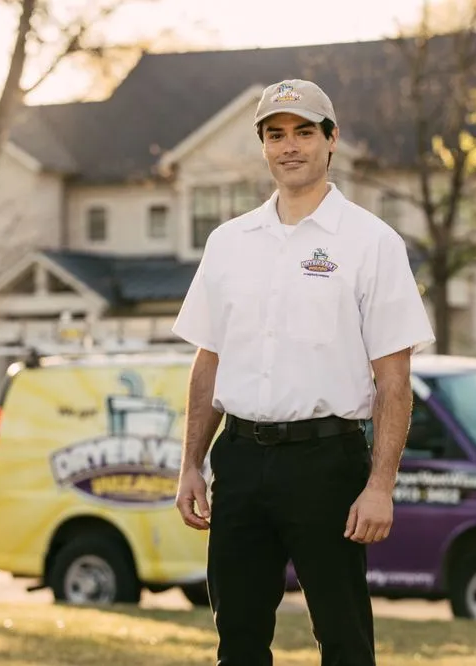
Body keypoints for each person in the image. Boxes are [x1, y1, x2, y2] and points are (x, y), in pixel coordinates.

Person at [171, 78, 435, 666]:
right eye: (276, 134)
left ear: (331, 140)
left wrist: (380, 486)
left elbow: (394, 379)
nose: (290, 146)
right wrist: (191, 463)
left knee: (343, 640)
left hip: (328, 465)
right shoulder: (227, 243)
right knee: (237, 638)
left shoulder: (372, 243)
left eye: (304, 132)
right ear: (264, 146)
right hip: (238, 461)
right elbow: (209, 359)